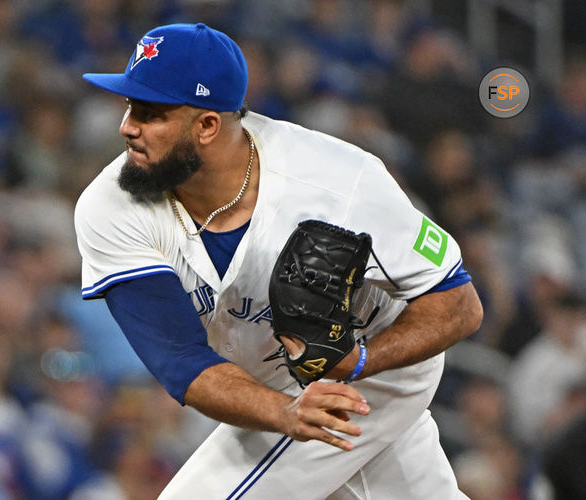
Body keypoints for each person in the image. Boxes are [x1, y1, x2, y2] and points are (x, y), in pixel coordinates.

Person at [75, 23, 483, 499]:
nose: (127, 125)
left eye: (150, 113)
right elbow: (181, 361)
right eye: (129, 107)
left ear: (207, 126)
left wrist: (360, 361)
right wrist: (284, 414)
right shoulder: (111, 207)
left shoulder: (336, 183)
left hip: (374, 366)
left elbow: (459, 304)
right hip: (271, 381)